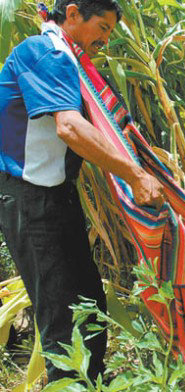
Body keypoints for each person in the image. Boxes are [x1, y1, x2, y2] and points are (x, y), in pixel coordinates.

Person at [0, 0, 164, 382]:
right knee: (58, 308)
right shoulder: (46, 53)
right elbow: (71, 128)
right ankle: (68, 385)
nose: (105, 40)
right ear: (72, 14)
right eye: (102, 28)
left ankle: (93, 379)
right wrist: (136, 176)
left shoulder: (70, 60)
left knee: (86, 296)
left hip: (56, 195)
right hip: (29, 198)